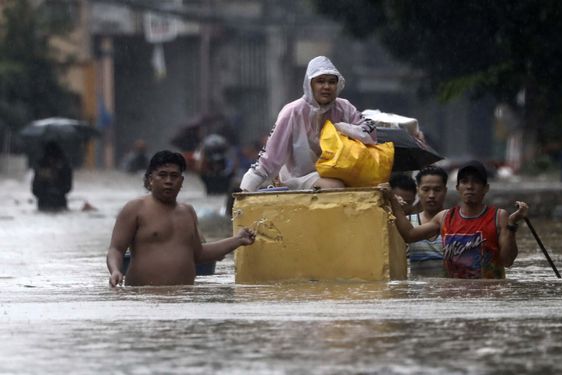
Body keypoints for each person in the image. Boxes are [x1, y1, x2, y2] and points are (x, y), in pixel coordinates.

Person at [106, 150, 256, 287]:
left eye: (174, 176)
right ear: (151, 179)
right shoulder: (135, 208)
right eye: (162, 175)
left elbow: (199, 254)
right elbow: (116, 249)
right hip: (145, 300)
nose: (169, 181)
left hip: (184, 301)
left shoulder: (188, 212)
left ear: (181, 181)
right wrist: (115, 270)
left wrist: (238, 240)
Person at [239, 56, 375, 191]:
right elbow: (270, 156)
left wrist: (343, 128)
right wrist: (247, 187)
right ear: (310, 84)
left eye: (331, 82)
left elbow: (369, 131)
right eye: (320, 81)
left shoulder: (344, 107)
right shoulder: (292, 112)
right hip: (299, 177)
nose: (326, 86)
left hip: (340, 173)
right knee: (334, 187)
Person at [387, 160, 528, 279]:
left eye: (476, 182)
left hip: (488, 298)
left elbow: (507, 261)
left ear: (486, 188)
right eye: (464, 181)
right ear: (458, 187)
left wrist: (512, 224)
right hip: (454, 296)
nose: (470, 187)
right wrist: (393, 200)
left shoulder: (498, 216)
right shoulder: (445, 217)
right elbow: (409, 235)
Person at [405, 166, 449, 277]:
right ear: (417, 190)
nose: (431, 195)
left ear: (445, 191)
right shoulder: (407, 223)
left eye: (437, 190)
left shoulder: (455, 222)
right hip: (416, 292)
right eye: (426, 189)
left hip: (447, 291)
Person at [31, 141, 73, 211]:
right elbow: (35, 188)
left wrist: (56, 191)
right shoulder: (41, 166)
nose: (51, 160)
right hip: (45, 203)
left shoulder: (64, 167)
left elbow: (68, 186)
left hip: (58, 203)